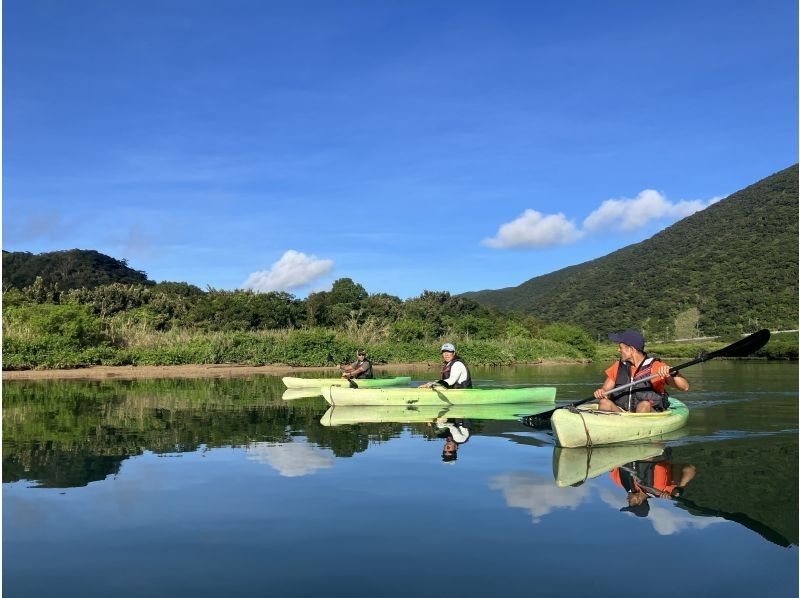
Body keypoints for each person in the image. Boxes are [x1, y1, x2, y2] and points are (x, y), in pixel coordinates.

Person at [593, 330, 689, 413]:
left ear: (631, 349)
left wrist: (674, 373)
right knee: (604, 402)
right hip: (622, 413)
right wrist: (602, 391)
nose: (618, 350)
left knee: (643, 405)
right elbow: (605, 389)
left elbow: (685, 387)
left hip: (648, 413)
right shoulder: (618, 366)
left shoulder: (655, 367)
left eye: (620, 347)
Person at [612, 455, 697, 517]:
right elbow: (690, 469)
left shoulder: (620, 481)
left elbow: (609, 464)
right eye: (630, 502)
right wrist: (679, 488)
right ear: (639, 501)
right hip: (653, 447)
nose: (627, 499)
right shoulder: (664, 490)